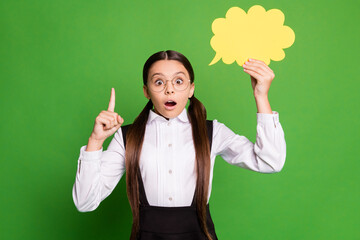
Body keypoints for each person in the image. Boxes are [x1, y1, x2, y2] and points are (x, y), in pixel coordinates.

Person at [72, 50, 286, 240]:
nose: (169, 90)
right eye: (158, 82)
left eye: (178, 81)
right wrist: (95, 141)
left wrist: (261, 96)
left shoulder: (213, 132)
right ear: (146, 91)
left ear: (191, 89)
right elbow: (84, 202)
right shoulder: (126, 136)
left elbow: (269, 162)